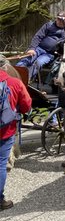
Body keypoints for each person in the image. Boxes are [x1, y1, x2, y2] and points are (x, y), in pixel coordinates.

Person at [0, 54, 32, 210]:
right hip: (6, 130)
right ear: (6, 66)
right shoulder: (15, 83)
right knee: (0, 165)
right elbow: (26, 106)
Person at [16, 11, 65, 80]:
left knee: (38, 63)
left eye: (62, 20)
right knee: (27, 59)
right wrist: (32, 48)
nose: (59, 21)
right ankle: (14, 74)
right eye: (58, 19)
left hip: (50, 54)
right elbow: (38, 36)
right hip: (38, 48)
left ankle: (25, 79)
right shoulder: (49, 25)